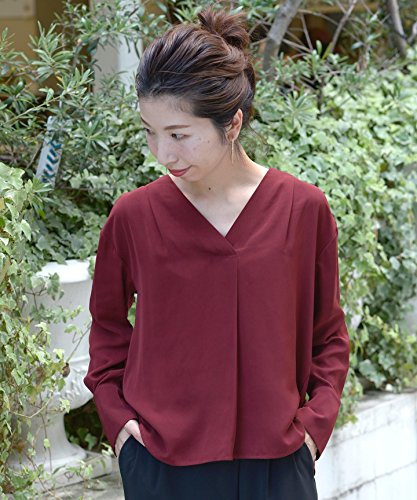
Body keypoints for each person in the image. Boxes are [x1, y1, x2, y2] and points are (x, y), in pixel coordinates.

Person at [83, 5, 350, 500]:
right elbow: (108, 328)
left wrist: (314, 426)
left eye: (179, 135)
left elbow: (328, 334)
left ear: (232, 124)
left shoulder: (302, 209)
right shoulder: (133, 217)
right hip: (161, 467)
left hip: (278, 468)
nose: (163, 154)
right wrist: (120, 428)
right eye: (150, 132)